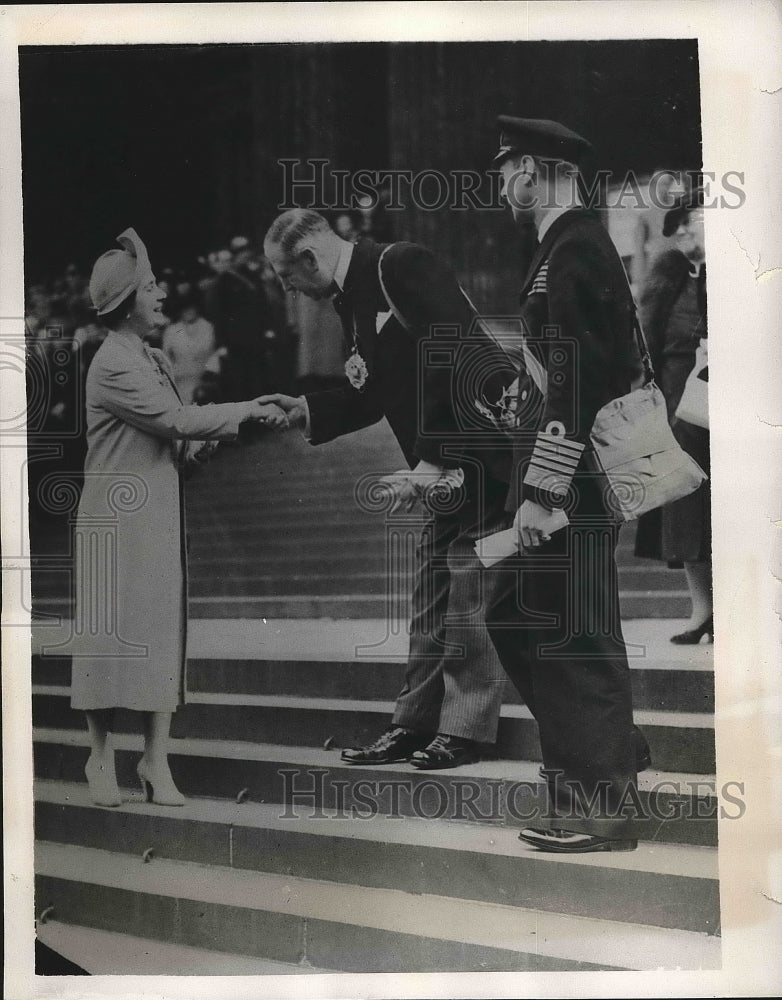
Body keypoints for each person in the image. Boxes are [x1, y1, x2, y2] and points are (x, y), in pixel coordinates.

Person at [259, 208, 516, 769]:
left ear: (308, 258)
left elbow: (459, 357)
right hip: (443, 469)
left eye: (286, 276)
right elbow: (369, 391)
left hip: (481, 459)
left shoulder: (400, 264)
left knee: (471, 594)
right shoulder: (353, 296)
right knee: (429, 596)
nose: (289, 290)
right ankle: (413, 723)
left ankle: (465, 730)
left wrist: (430, 463)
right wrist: (304, 408)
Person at [70, 228, 285, 808]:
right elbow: (173, 419)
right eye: (151, 285)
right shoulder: (114, 362)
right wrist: (245, 410)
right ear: (125, 302)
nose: (162, 293)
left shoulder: (151, 356)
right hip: (116, 520)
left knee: (161, 635)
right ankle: (99, 756)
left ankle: (154, 760)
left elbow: (175, 435)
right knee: (110, 641)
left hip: (157, 513)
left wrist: (204, 444)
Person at [484, 116, 649, 853]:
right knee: (520, 616)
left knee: (573, 635)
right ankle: (605, 761)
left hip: (571, 481)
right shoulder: (565, 245)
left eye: (503, 168)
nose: (499, 184)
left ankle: (602, 805)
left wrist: (542, 488)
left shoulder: (576, 243)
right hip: (564, 471)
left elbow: (580, 373)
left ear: (531, 168)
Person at [634, 189, 711, 643]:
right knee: (685, 506)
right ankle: (702, 611)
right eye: (677, 223)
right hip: (678, 406)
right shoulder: (671, 276)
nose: (682, 229)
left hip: (731, 404)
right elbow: (647, 343)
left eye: (692, 220)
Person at [162, 292, 219, 404]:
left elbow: (214, 354)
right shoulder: (172, 330)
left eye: (192, 308)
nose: (188, 311)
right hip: (180, 381)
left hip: (203, 381)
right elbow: (165, 358)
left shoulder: (208, 327)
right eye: (185, 308)